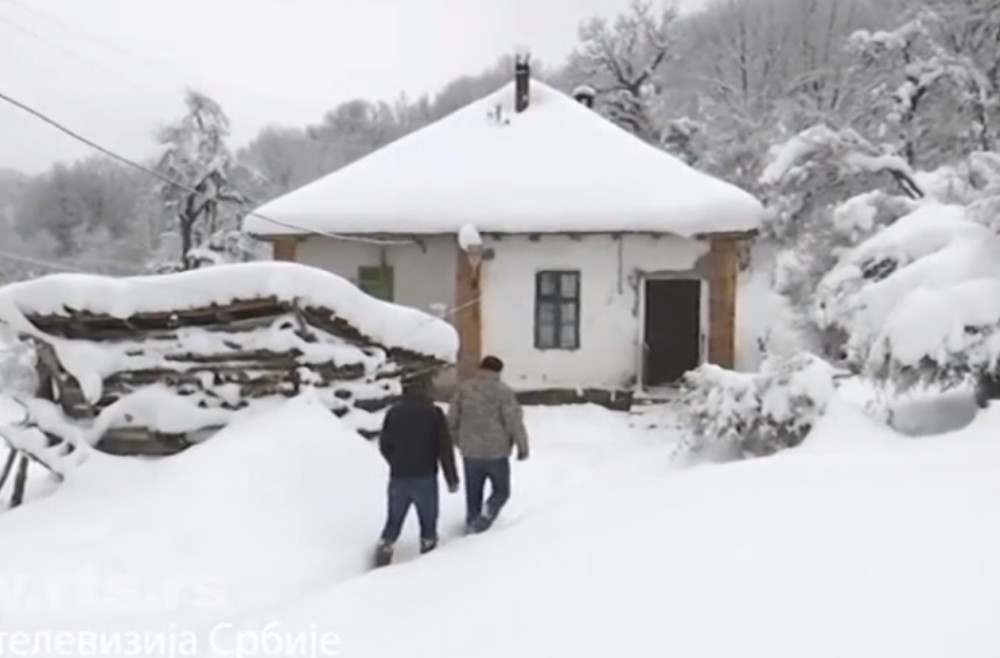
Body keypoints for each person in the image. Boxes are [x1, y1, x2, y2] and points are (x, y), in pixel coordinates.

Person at [375, 373, 459, 567]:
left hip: (399, 477)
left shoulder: (393, 412)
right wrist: (451, 478)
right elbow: (444, 448)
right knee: (428, 521)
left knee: (394, 519)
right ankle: (426, 560)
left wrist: (395, 462)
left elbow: (384, 444)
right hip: (425, 476)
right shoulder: (433, 413)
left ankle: (385, 549)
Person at [448, 355, 529, 534]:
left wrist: (459, 442)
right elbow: (513, 421)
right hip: (496, 452)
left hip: (470, 452)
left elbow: (452, 420)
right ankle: (483, 520)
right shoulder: (503, 392)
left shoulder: (464, 389)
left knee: (473, 492)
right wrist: (522, 446)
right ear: (499, 371)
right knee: (501, 491)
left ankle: (472, 523)